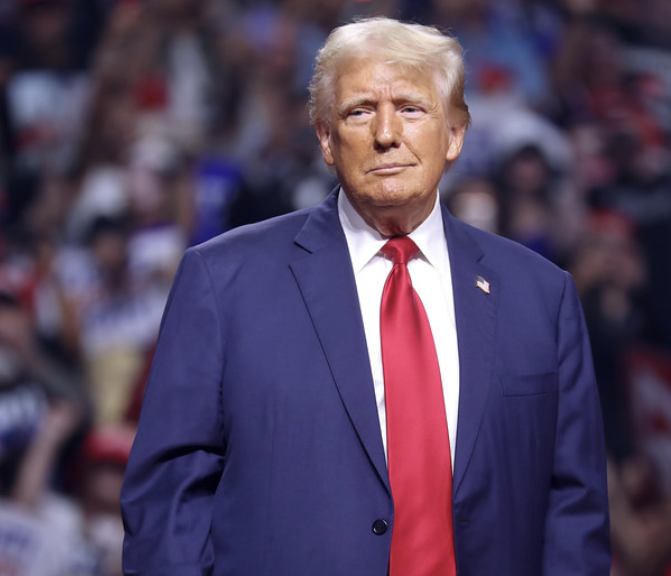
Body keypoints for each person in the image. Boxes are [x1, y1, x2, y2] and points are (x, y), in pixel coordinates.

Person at [120, 17, 610, 576]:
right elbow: (167, 504)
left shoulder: (542, 296)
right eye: (359, 112)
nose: (386, 133)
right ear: (326, 139)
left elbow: (574, 510)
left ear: (454, 133)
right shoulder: (222, 281)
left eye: (411, 108)